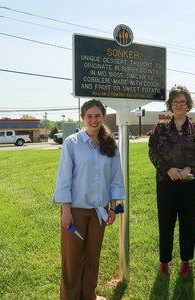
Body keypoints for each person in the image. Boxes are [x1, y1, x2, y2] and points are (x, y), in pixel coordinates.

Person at [53, 99, 125, 300]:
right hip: (74, 211)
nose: (93, 120)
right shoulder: (72, 143)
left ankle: (88, 295)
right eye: (89, 116)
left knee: (93, 258)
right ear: (83, 118)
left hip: (99, 213)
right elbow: (64, 178)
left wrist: (112, 208)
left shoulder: (110, 144)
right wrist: (66, 211)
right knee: (72, 260)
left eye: (97, 116)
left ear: (103, 117)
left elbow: (115, 177)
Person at [149, 85, 195, 278]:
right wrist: (168, 169)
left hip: (190, 183)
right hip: (166, 183)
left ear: (188, 105)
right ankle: (164, 262)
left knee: (188, 223)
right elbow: (153, 152)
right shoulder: (160, 130)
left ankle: (186, 261)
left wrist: (189, 169)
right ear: (170, 105)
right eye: (175, 102)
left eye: (183, 102)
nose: (179, 105)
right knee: (165, 223)